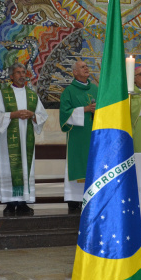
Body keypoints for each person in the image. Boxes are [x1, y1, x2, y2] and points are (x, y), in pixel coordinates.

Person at [0, 63, 48, 216]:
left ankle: (23, 202)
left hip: (26, 138)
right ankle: (10, 203)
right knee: (9, 168)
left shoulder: (32, 94)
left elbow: (43, 115)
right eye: (18, 72)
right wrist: (12, 115)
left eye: (24, 72)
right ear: (11, 76)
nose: (22, 75)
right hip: (8, 140)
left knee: (25, 168)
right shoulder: (3, 94)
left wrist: (33, 116)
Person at [59, 60, 98, 211]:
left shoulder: (95, 89)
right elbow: (65, 114)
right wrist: (86, 109)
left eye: (87, 66)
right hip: (77, 137)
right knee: (78, 165)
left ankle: (92, 198)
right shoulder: (69, 91)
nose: (87, 68)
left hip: (94, 136)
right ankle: (74, 201)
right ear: (75, 72)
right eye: (83, 67)